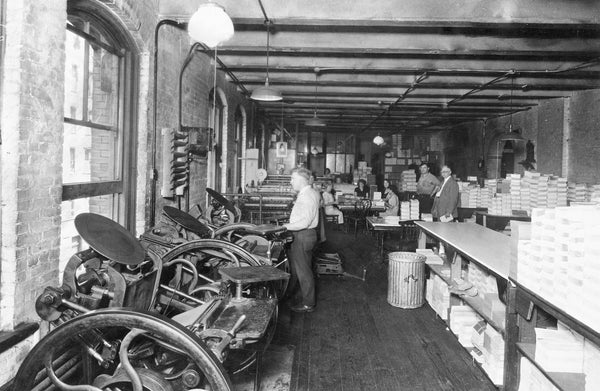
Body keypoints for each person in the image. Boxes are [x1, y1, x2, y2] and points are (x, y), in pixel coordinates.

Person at [283, 167, 321, 313]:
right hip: (306, 235)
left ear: (301, 180)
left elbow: (304, 222)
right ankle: (291, 295)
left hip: (303, 234)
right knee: (299, 268)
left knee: (304, 271)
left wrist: (285, 226)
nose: (291, 181)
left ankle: (308, 303)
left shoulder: (306, 196)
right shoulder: (310, 192)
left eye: (293, 178)